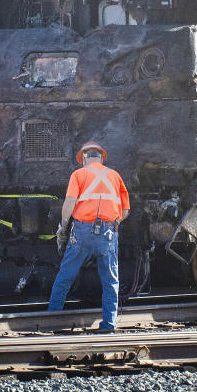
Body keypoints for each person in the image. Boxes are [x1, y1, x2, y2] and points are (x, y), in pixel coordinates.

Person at [48, 141, 130, 332]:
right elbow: (125, 209)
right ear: (101, 157)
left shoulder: (78, 174)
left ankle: (51, 318)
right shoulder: (115, 176)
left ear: (84, 158)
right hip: (109, 232)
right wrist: (116, 222)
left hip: (82, 232)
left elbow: (69, 202)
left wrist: (64, 226)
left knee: (66, 275)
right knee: (110, 280)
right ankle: (109, 324)